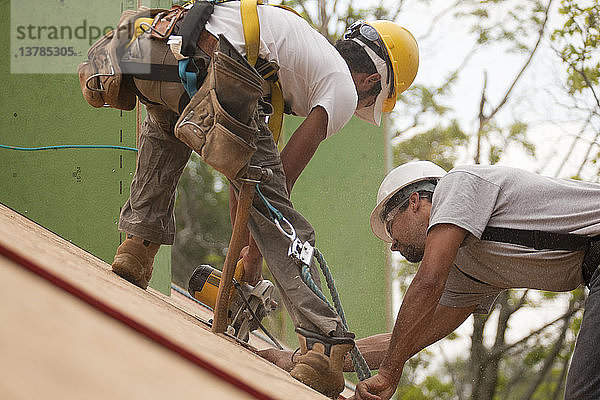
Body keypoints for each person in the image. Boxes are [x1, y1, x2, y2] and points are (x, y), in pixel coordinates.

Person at [99, 2, 419, 398]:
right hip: (213, 62)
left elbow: (244, 181)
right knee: (283, 216)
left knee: (163, 129)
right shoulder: (340, 86)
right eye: (375, 98)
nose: (365, 106)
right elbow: (274, 187)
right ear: (372, 79)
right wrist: (253, 260)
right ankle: (323, 344)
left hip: (149, 48)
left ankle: (137, 245)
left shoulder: (293, 50)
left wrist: (247, 266)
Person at [259, 160, 600, 399]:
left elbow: (428, 281)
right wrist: (299, 358)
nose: (392, 245)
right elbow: (404, 340)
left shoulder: (459, 183)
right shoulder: (470, 269)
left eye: (391, 228)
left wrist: (391, 374)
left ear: (416, 202)